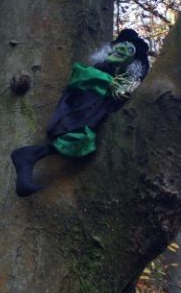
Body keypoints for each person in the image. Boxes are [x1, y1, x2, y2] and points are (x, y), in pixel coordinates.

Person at [10, 29, 150, 197]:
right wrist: (108, 81)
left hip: (92, 115)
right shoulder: (99, 69)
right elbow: (80, 74)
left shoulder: (120, 79)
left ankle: (30, 155)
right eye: (122, 44)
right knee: (80, 138)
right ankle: (29, 155)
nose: (124, 48)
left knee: (82, 142)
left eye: (130, 50)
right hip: (77, 110)